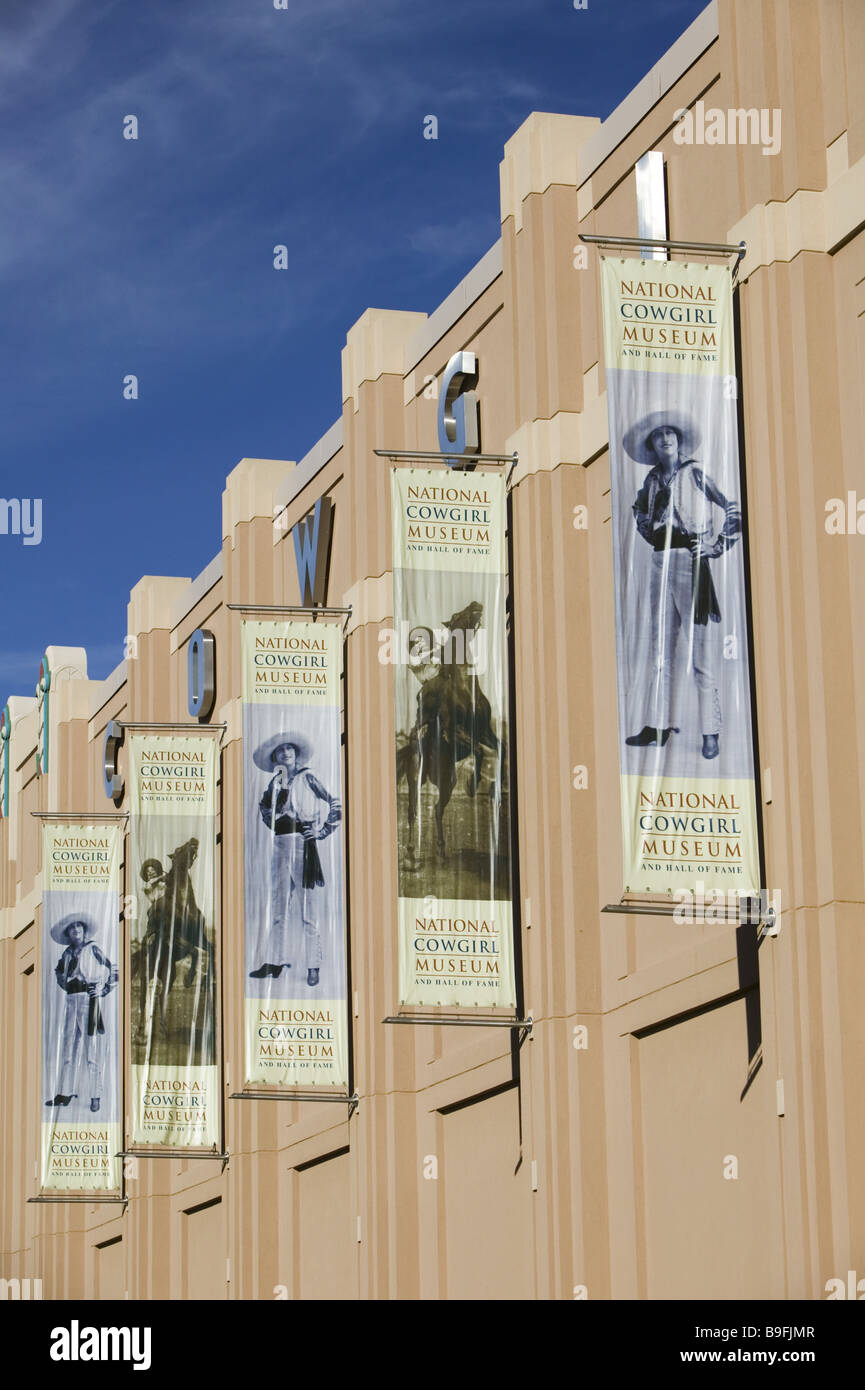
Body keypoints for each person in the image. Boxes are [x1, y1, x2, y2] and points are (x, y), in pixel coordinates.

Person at [623, 409, 742, 759]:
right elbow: (639, 516)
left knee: (701, 652)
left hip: (692, 562)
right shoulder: (651, 481)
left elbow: (733, 506)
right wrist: (651, 527)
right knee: (660, 648)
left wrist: (716, 545)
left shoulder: (695, 472)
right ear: (653, 445)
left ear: (677, 439)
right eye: (658, 435)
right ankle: (658, 726)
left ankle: (710, 731)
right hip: (660, 561)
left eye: (670, 433)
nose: (665, 438)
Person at [251, 733, 341, 987]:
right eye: (280, 751)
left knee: (308, 910)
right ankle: (275, 961)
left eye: (289, 749)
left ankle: (313, 965)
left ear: (295, 753)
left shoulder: (309, 776)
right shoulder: (274, 784)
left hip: (303, 845)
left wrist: (322, 831)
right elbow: (265, 812)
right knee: (279, 907)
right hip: (280, 844)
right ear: (275, 758)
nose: (285, 753)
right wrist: (277, 805)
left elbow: (335, 802)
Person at [46, 914, 118, 1112]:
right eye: (72, 928)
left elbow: (113, 969)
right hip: (71, 1002)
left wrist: (103, 990)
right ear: (68, 933)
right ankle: (65, 1093)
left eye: (79, 926)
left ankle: (96, 1096)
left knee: (91, 1050)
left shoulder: (92, 948)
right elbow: (59, 972)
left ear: (84, 930)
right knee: (68, 1048)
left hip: (88, 1000)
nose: (76, 930)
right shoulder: (67, 954)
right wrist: (65, 984)